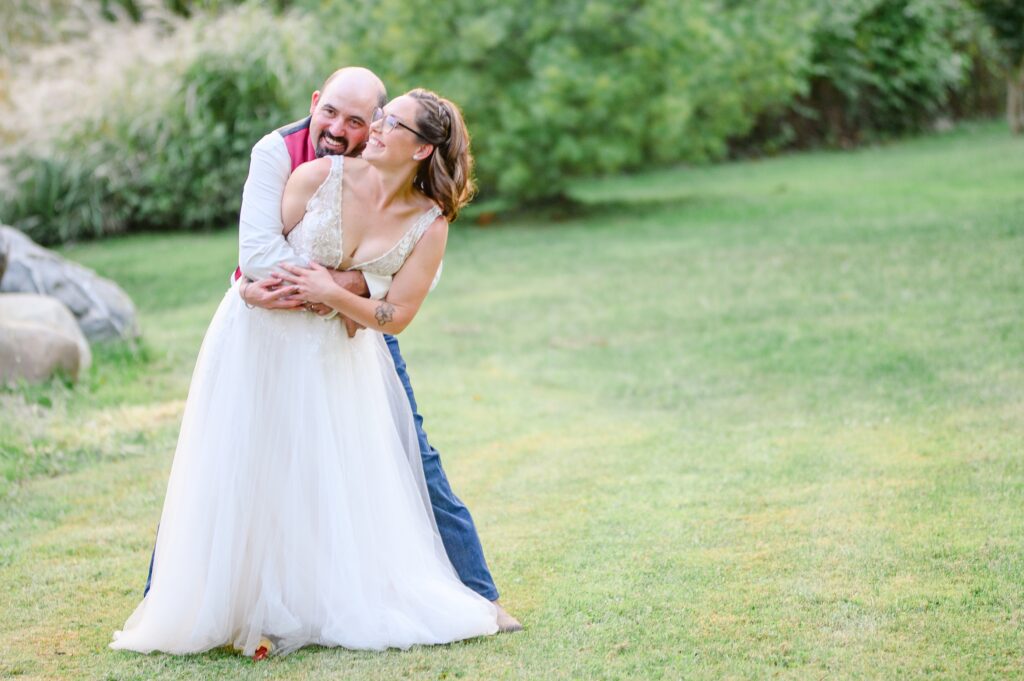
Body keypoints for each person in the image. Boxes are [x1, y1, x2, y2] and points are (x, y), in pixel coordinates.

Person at [111, 88, 500, 657]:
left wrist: (342, 291)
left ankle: (466, 593)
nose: (373, 130)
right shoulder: (310, 171)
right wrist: (253, 286)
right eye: (379, 119)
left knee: (350, 467)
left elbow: (400, 312)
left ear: (421, 151)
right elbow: (258, 253)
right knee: (235, 460)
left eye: (388, 122)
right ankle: (199, 600)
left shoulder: (429, 223)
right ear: (318, 105)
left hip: (341, 353)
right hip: (260, 338)